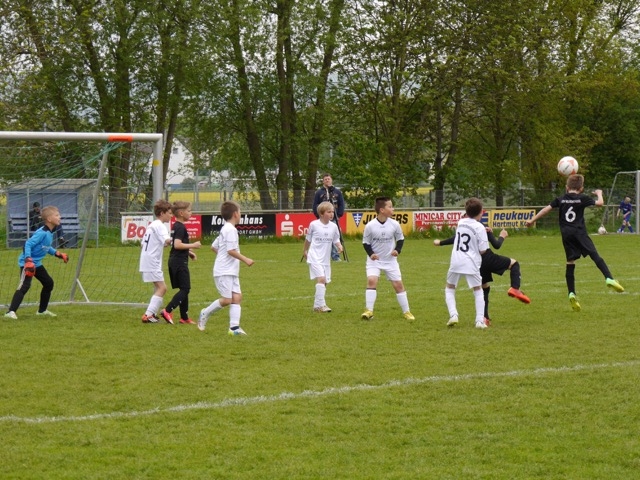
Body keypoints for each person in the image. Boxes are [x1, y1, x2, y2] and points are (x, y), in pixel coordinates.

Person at [525, 174, 624, 311]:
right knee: (594, 254)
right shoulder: (582, 198)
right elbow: (600, 203)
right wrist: (599, 194)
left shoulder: (560, 199)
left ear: (567, 187)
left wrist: (532, 220)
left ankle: (571, 293)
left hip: (566, 234)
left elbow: (546, 209)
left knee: (570, 262)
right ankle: (609, 278)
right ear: (581, 188)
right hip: (579, 232)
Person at [435, 227, 530, 325]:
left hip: (475, 261)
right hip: (487, 258)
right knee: (514, 264)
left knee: (484, 287)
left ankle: (485, 318)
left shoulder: (465, 227)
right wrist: (502, 236)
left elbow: (455, 238)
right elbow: (496, 245)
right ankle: (515, 288)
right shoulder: (482, 228)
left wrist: (440, 243)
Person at [198, 201, 254, 335]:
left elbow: (214, 247)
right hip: (224, 271)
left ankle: (234, 328)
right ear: (235, 214)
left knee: (237, 297)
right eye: (240, 212)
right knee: (227, 300)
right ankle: (205, 312)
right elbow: (230, 250)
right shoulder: (230, 230)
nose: (240, 214)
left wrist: (222, 257)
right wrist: (245, 259)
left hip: (231, 270)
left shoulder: (226, 228)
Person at [5, 206, 69, 319]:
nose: (60, 217)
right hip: (27, 263)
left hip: (37, 263)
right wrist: (28, 260)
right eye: (57, 215)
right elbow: (27, 244)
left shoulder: (50, 232)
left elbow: (45, 247)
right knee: (25, 286)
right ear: (49, 219)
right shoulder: (42, 232)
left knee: (48, 283)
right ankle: (10, 312)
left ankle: (42, 311)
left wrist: (57, 254)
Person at [361, 197, 414, 321]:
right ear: (382, 210)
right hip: (374, 261)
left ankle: (407, 312)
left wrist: (397, 250)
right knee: (372, 281)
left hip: (390, 261)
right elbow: (365, 243)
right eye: (390, 206)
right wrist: (371, 254)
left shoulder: (394, 224)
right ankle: (369, 311)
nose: (393, 209)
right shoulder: (370, 225)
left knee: (398, 285)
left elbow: (400, 239)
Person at [444, 198, 489, 329]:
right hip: (471, 262)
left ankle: (453, 315)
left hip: (456, 260)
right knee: (478, 290)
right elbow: (483, 250)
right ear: (480, 212)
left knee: (450, 287)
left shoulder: (461, 222)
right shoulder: (480, 227)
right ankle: (479, 321)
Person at [159, 201, 201, 325]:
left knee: (184, 288)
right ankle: (167, 310)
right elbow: (177, 245)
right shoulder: (180, 227)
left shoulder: (176, 226)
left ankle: (184, 317)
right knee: (185, 289)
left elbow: (175, 245)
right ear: (182, 213)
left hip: (175, 260)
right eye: (189, 211)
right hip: (179, 262)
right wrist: (193, 245)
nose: (191, 213)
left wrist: (188, 252)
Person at [302, 201, 343, 313]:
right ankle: (321, 306)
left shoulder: (334, 226)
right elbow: (308, 239)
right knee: (321, 279)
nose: (331, 214)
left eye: (332, 212)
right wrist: (305, 250)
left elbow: (336, 239)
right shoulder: (314, 224)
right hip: (314, 256)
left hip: (325, 259)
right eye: (329, 212)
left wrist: (339, 246)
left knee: (325, 282)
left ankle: (317, 306)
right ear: (321, 213)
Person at [139, 199, 173, 323]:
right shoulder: (160, 225)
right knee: (162, 288)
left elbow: (142, 244)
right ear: (162, 213)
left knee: (160, 287)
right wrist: (178, 240)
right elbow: (168, 240)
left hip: (146, 259)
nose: (171, 215)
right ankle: (148, 315)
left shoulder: (152, 225)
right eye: (169, 213)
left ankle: (151, 315)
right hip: (152, 261)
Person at [312, 173, 345, 261]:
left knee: (335, 236)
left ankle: (335, 256)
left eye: (328, 179)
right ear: (323, 181)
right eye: (325, 179)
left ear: (331, 180)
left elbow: (341, 204)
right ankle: (319, 255)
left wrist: (339, 214)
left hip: (334, 218)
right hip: (322, 219)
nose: (327, 180)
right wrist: (318, 215)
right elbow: (315, 205)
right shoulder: (319, 192)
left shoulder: (337, 192)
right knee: (322, 237)